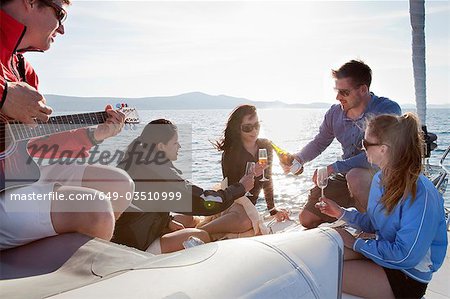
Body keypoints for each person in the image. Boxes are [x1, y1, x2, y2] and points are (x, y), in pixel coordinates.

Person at [0, 0, 133, 250]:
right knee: (95, 209)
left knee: (119, 184)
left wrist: (95, 135)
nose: (61, 29)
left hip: (14, 177)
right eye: (60, 14)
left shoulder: (22, 70)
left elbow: (31, 145)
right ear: (29, 2)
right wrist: (4, 94)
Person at [317, 113, 447, 298]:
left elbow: (406, 255)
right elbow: (375, 222)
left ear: (383, 149)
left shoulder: (420, 193)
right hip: (386, 257)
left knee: (328, 274)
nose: (362, 148)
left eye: (366, 143)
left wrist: (356, 243)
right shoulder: (381, 178)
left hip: (408, 275)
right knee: (326, 257)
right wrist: (341, 213)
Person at [280, 59, 401, 228]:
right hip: (346, 175)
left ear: (363, 89)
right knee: (307, 218)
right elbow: (320, 141)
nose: (338, 97)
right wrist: (299, 159)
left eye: (344, 92)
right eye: (337, 91)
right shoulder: (334, 113)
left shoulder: (386, 110)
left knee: (355, 176)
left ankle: (376, 229)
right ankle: (353, 212)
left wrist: (334, 168)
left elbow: (378, 156)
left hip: (381, 177)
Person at [112, 119, 255, 254]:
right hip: (137, 246)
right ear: (161, 146)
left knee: (188, 219)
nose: (179, 146)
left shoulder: (136, 159)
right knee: (202, 236)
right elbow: (206, 202)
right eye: (175, 143)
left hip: (129, 232)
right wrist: (241, 187)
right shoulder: (159, 173)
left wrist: (167, 221)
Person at [200, 105, 289, 236]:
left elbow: (267, 179)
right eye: (248, 127)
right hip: (234, 200)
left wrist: (272, 209)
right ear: (238, 129)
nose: (254, 131)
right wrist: (251, 174)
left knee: (249, 221)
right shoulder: (231, 153)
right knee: (247, 221)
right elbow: (231, 188)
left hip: (249, 205)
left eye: (257, 125)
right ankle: (200, 232)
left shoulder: (265, 146)